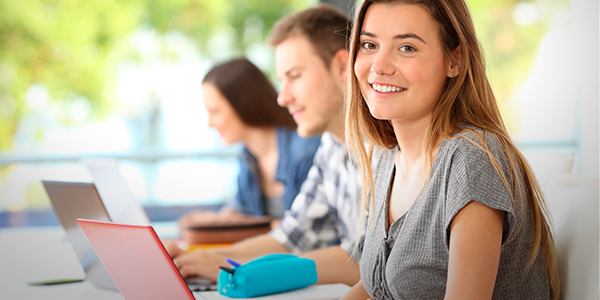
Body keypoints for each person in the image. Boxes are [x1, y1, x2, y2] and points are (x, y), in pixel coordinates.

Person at [341, 0, 560, 299]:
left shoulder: (471, 160)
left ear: (454, 61)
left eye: (407, 48)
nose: (379, 66)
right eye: (369, 45)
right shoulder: (388, 160)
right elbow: (374, 286)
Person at [167, 4, 363, 286]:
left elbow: (369, 261)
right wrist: (208, 258)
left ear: (342, 66)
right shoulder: (331, 150)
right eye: (282, 80)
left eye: (294, 76)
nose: (283, 98)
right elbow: (290, 238)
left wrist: (237, 268)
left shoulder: (388, 149)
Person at [179, 58, 321, 228]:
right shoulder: (248, 157)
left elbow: (305, 232)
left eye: (214, 111)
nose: (209, 123)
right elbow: (240, 210)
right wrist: (214, 221)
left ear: (243, 104)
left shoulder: (306, 151)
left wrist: (247, 226)